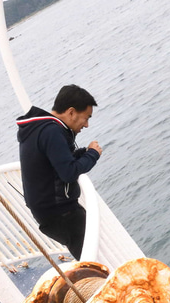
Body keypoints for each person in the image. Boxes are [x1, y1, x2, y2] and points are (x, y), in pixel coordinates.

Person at [16, 84, 103, 260]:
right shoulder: (52, 131)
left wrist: (81, 154)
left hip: (49, 213)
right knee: (92, 262)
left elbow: (54, 163)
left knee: (90, 254)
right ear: (71, 112)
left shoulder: (39, 128)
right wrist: (93, 154)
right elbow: (69, 173)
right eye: (85, 118)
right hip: (61, 214)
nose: (86, 125)